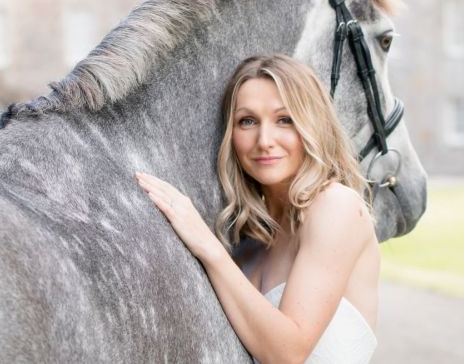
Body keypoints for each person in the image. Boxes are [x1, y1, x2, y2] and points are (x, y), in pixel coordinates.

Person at [135, 54, 380, 363]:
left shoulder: (337, 207)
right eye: (247, 121)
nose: (264, 140)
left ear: (312, 125)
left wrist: (208, 248)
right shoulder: (249, 248)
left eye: (284, 119)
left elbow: (287, 354)